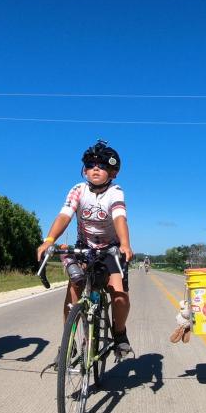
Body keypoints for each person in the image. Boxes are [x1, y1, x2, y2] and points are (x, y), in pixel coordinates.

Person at [37, 140, 135, 355]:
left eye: (102, 165)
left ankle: (119, 333)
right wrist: (49, 239)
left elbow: (120, 217)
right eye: (90, 165)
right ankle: (68, 342)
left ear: (113, 172)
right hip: (85, 247)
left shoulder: (115, 192)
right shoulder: (78, 190)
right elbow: (65, 215)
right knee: (74, 290)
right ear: (84, 170)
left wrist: (125, 245)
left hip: (110, 248)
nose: (96, 169)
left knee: (119, 295)